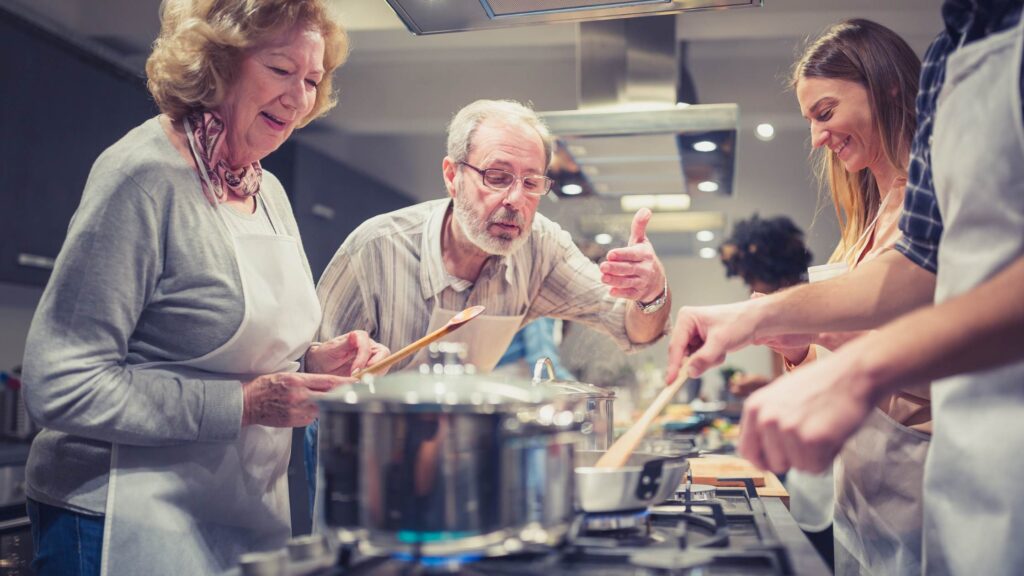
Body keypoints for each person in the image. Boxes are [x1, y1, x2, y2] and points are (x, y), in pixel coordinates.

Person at [20, 1, 388, 574]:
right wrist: (245, 405)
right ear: (217, 63)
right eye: (281, 70)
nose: (299, 98)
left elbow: (245, 346)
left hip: (234, 513)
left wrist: (319, 361)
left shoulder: (267, 192)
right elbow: (61, 384)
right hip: (113, 518)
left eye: (312, 80)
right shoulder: (141, 178)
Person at [665, 2, 1024, 574]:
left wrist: (840, 353)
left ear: (881, 87)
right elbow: (914, 273)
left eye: (825, 111)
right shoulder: (947, 54)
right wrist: (764, 322)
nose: (815, 138)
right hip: (894, 494)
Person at [308, 99, 672, 519]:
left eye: (532, 183)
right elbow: (308, 386)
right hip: (367, 484)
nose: (515, 200)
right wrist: (334, 368)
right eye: (497, 177)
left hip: (466, 484)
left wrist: (651, 293)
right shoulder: (375, 249)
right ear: (452, 175)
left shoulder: (540, 248)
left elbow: (634, 330)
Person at [717, 214, 812, 397]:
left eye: (751, 280)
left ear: (775, 272)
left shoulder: (808, 311)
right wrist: (764, 385)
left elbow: (818, 389)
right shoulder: (779, 315)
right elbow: (791, 384)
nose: (750, 290)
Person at [494, 317, 574, 380]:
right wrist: (576, 389)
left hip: (496, 375)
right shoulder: (542, 311)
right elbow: (543, 364)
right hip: (510, 376)